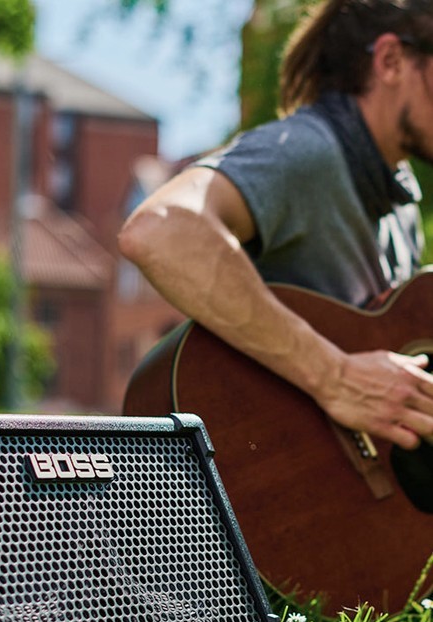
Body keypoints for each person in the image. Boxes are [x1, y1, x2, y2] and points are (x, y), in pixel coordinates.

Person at [118, 0, 433, 451]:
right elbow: (160, 230)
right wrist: (336, 377)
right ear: (390, 61)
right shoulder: (308, 151)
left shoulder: (400, 210)